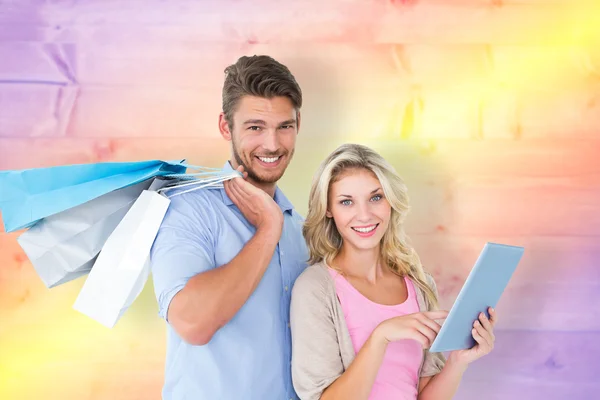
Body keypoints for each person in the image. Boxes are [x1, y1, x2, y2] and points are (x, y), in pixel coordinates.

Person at [150, 55, 309, 399]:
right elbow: (192, 324)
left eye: (285, 126)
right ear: (226, 127)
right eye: (255, 127)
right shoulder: (186, 210)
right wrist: (268, 230)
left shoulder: (303, 230)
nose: (272, 144)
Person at [290, 143, 497, 400]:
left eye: (376, 197)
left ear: (391, 201)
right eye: (346, 202)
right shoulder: (315, 289)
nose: (364, 215)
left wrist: (459, 360)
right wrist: (381, 337)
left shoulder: (419, 286)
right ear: (329, 209)